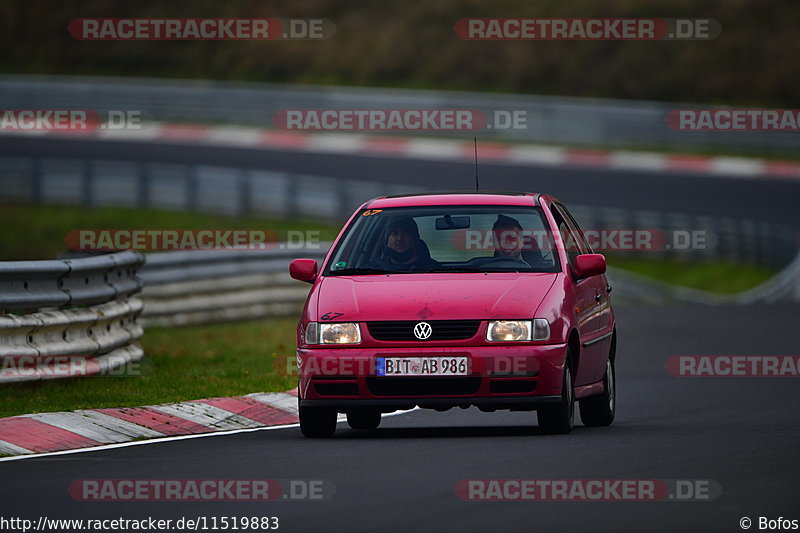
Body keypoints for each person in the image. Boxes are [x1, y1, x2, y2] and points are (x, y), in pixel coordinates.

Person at [375, 217, 439, 271]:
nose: (399, 238)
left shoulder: (432, 269)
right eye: (394, 233)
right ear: (387, 242)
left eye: (405, 233)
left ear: (414, 240)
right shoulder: (375, 269)